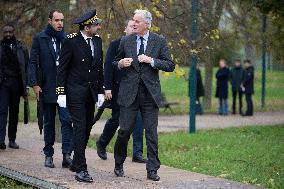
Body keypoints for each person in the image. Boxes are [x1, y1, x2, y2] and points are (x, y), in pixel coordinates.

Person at [113, 9, 175, 181]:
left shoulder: (159, 41)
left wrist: (151, 61)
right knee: (124, 131)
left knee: (151, 133)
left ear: (147, 24)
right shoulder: (126, 40)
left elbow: (170, 65)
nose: (133, 23)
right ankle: (118, 163)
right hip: (129, 94)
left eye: (137, 21)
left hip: (150, 95)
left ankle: (152, 169)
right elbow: (113, 62)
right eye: (133, 20)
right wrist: (120, 63)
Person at [56, 9, 104, 183]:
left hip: (91, 93)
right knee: (80, 127)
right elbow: (62, 69)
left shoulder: (98, 41)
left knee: (87, 128)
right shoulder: (71, 42)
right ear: (86, 26)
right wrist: (60, 92)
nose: (98, 27)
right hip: (75, 92)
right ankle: (81, 169)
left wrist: (100, 91)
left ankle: (76, 162)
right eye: (96, 24)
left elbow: (99, 69)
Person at [96, 19, 147, 163]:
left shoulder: (140, 45)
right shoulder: (115, 44)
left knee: (138, 120)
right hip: (118, 90)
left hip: (136, 90)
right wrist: (107, 88)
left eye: (135, 26)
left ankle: (137, 153)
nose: (133, 28)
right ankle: (102, 142)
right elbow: (108, 68)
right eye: (131, 26)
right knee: (117, 119)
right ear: (125, 29)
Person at [28, 10, 73, 168]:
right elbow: (33, 62)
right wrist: (34, 84)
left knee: (67, 120)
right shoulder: (40, 38)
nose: (60, 23)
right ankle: (48, 155)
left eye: (62, 20)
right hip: (46, 87)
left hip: (64, 89)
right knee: (48, 123)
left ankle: (67, 155)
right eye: (57, 20)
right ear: (49, 21)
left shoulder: (67, 39)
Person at [0, 24, 29, 150]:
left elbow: (26, 68)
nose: (8, 35)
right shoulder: (0, 47)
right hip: (3, 84)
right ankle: (1, 140)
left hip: (17, 85)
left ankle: (12, 140)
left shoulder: (21, 48)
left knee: (14, 113)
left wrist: (26, 86)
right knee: (2, 112)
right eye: (5, 32)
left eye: (10, 32)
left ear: (14, 32)